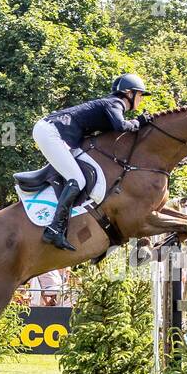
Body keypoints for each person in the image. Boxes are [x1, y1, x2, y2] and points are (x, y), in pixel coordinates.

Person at [28, 73, 151, 251]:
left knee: (76, 174)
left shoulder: (111, 104)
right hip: (50, 132)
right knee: (77, 179)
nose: (141, 99)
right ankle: (55, 228)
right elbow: (121, 127)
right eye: (140, 94)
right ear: (129, 93)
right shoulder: (115, 103)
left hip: (52, 131)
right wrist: (139, 122)